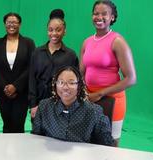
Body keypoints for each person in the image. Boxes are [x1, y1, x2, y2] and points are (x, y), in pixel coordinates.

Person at [80, 0, 136, 146]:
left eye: (104, 14)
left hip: (112, 100)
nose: (99, 17)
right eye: (96, 13)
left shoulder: (118, 41)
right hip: (89, 98)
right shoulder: (87, 42)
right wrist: (83, 92)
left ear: (112, 17)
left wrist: (100, 93)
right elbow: (80, 73)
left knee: (111, 143)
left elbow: (131, 79)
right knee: (89, 140)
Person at [32, 66, 114, 146]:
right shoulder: (44, 106)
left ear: (79, 86)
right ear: (55, 84)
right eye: (61, 82)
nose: (65, 87)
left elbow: (106, 145)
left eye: (71, 83)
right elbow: (36, 138)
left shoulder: (94, 112)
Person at [29, 9, 78, 119]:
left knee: (57, 135)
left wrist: (68, 104)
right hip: (39, 104)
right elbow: (32, 79)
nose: (54, 33)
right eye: (50, 30)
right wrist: (33, 104)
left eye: (58, 30)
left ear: (64, 31)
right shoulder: (37, 52)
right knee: (38, 135)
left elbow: (74, 83)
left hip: (61, 104)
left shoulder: (70, 55)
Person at [0, 13, 35, 133]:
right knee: (6, 124)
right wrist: (5, 87)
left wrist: (16, 86)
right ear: (5, 24)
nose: (11, 25)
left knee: (18, 124)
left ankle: (19, 151)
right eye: (9, 22)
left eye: (14, 22)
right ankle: (4, 151)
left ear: (20, 24)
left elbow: (31, 67)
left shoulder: (28, 43)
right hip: (2, 92)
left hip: (22, 92)